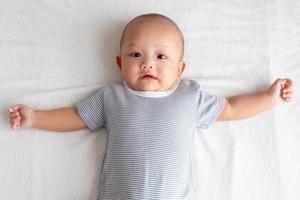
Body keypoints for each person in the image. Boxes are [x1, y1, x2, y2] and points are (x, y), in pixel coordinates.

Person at [9, 13, 293, 199]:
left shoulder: (189, 97)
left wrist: (268, 99)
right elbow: (76, 116)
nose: (147, 63)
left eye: (161, 56)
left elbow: (230, 108)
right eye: (135, 54)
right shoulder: (112, 97)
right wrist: (36, 118)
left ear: (180, 69)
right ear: (120, 63)